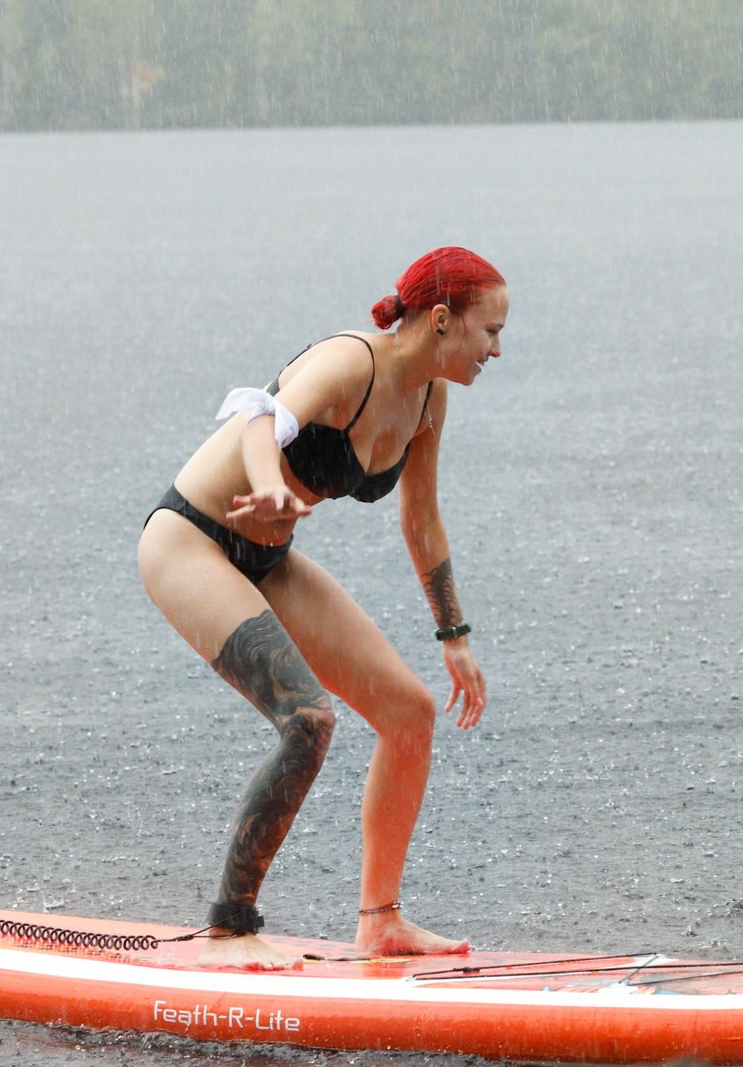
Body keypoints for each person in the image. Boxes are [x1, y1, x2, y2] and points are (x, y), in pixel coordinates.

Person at [138, 247, 507, 966]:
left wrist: (453, 632)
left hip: (268, 561)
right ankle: (230, 927)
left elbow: (422, 518)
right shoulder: (350, 364)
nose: (497, 347)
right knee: (307, 720)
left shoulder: (430, 395)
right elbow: (258, 419)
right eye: (489, 330)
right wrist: (269, 483)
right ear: (440, 320)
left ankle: (381, 920)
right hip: (191, 542)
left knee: (408, 714)